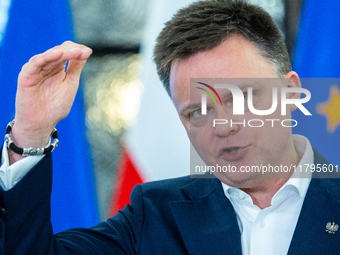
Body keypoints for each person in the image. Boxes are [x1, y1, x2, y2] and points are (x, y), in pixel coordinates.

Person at [0, 0, 339, 254]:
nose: (223, 125)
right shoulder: (155, 215)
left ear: (291, 92)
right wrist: (31, 133)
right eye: (199, 111)